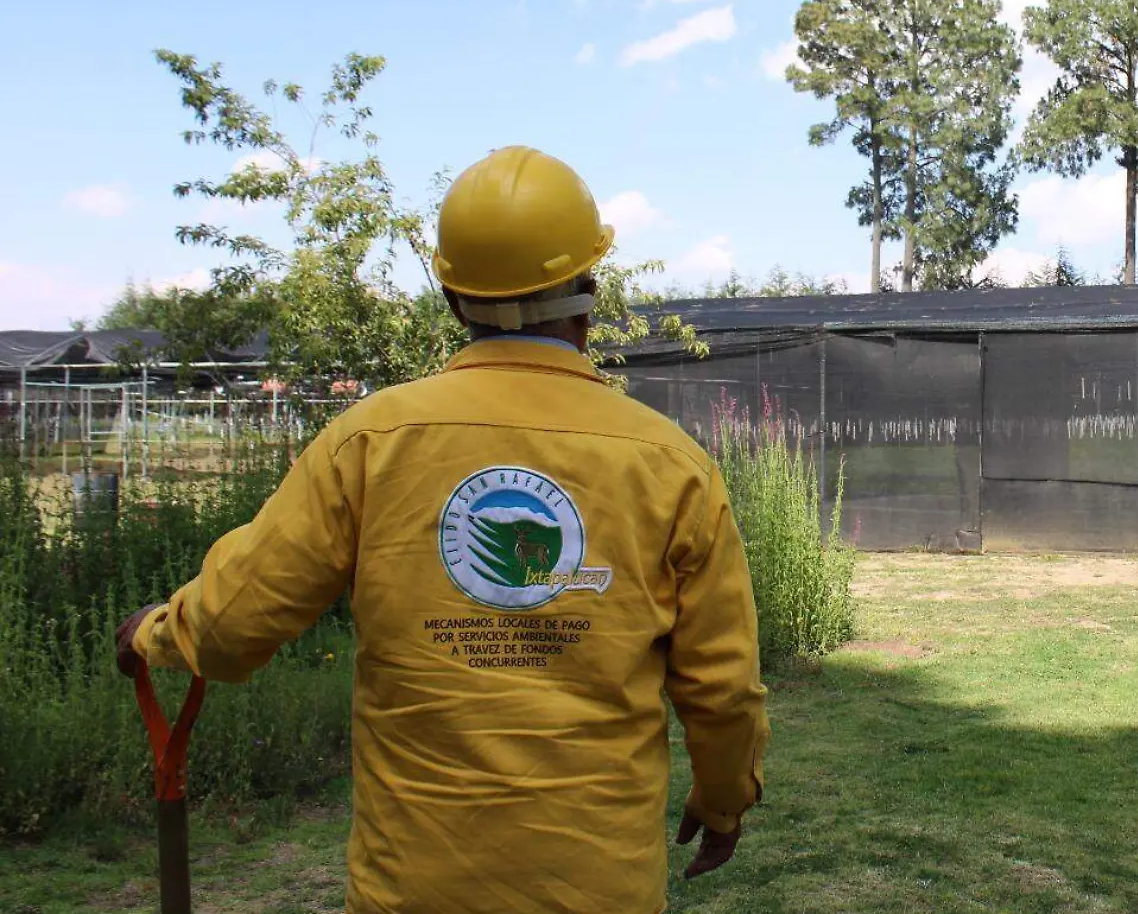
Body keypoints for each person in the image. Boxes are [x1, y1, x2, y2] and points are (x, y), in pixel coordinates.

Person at [116, 145, 769, 913]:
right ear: (588, 295)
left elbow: (231, 625)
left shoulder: (370, 442)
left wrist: (157, 634)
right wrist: (725, 798)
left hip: (413, 887)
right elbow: (722, 688)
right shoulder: (670, 463)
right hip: (597, 886)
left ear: (454, 300)